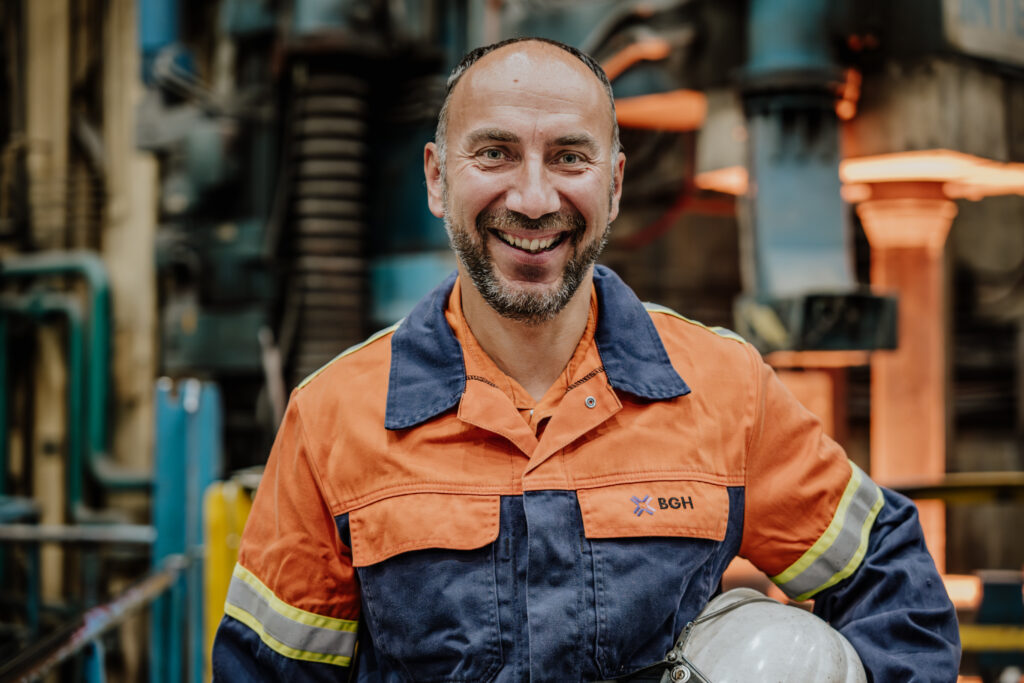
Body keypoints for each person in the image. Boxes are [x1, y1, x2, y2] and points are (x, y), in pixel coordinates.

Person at [212, 37, 960, 682]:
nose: (534, 199)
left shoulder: (723, 389)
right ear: (439, 178)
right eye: (496, 153)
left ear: (615, 181)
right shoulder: (333, 415)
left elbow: (889, 575)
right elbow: (268, 667)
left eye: (569, 156)